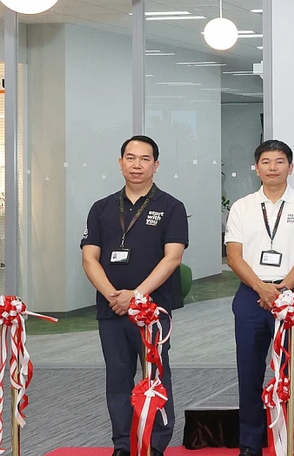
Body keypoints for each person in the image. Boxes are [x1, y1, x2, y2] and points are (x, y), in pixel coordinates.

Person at [81, 135, 188, 456]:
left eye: (144, 159)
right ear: (120, 163)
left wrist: (136, 296)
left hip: (152, 311)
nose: (136, 165)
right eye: (130, 158)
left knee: (155, 374)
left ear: (156, 165)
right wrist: (114, 295)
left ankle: (155, 443)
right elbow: (89, 258)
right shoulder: (101, 208)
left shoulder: (171, 207)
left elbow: (173, 258)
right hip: (111, 309)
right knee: (117, 377)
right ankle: (123, 444)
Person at [226, 140, 294, 456]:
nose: (272, 167)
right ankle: (250, 443)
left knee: (293, 372)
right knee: (250, 371)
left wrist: (281, 291)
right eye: (266, 162)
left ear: (290, 167)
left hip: (292, 295)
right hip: (250, 295)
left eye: (279, 161)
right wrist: (261, 288)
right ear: (257, 168)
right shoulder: (242, 206)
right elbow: (234, 256)